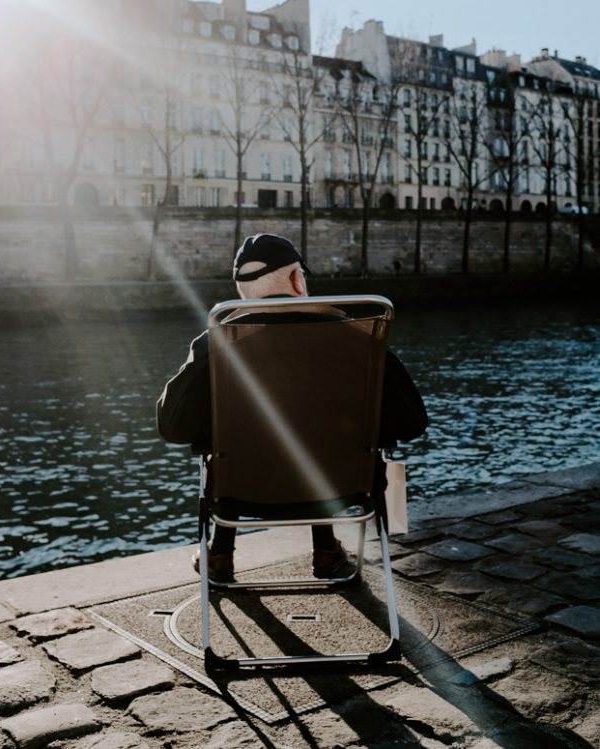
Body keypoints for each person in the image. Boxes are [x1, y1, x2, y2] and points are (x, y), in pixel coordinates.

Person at [157, 232, 428, 583]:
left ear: (243, 292)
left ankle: (220, 554)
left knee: (228, 433)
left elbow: (172, 426)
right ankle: (327, 552)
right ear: (297, 279)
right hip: (341, 484)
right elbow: (412, 422)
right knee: (318, 432)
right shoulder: (358, 341)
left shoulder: (214, 346)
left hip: (240, 489)